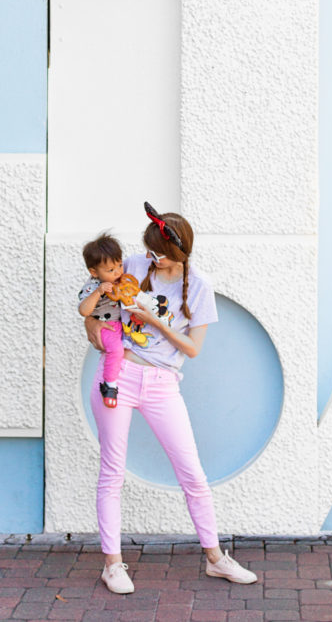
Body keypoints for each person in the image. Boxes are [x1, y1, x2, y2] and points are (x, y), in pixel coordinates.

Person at [84, 202, 258, 594]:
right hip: (119, 376)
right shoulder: (133, 264)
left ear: (178, 254)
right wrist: (92, 325)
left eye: (157, 255)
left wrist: (154, 323)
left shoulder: (199, 286)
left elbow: (193, 349)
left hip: (163, 384)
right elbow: (96, 304)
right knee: (112, 472)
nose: (150, 259)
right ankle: (112, 565)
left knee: (193, 474)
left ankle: (216, 558)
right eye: (148, 252)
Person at [78, 234, 125, 408]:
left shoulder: (122, 278)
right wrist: (98, 292)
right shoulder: (93, 287)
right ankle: (110, 385)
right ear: (94, 272)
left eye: (119, 265)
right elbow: (84, 310)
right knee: (116, 351)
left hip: (122, 323)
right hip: (107, 326)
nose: (118, 272)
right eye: (111, 270)